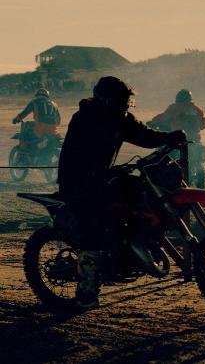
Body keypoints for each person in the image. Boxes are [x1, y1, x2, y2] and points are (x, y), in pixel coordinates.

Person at [58, 76, 186, 309]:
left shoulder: (121, 119)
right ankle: (86, 292)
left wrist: (169, 137)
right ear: (105, 99)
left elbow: (144, 135)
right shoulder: (84, 119)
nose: (125, 105)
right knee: (94, 232)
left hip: (104, 178)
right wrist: (96, 175)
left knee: (140, 196)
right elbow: (78, 155)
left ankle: (136, 243)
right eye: (121, 100)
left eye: (127, 101)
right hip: (79, 183)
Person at [148, 89, 205, 186]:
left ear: (177, 98)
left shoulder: (174, 108)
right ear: (190, 99)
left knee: (162, 155)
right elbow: (203, 125)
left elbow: (163, 117)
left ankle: (161, 179)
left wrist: (153, 122)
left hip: (178, 139)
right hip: (195, 140)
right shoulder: (197, 109)